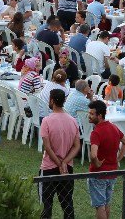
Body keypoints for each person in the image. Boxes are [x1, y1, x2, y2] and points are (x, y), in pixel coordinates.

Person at [39, 88, 81, 219]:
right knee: (67, 203)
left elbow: (48, 147)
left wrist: (58, 163)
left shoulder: (46, 120)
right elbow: (76, 146)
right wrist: (64, 163)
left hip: (48, 168)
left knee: (46, 205)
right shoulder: (73, 121)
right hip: (67, 168)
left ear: (52, 100)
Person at [88, 100, 125, 219]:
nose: (89, 116)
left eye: (91, 114)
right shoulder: (114, 127)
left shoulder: (96, 132)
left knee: (100, 205)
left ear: (99, 115)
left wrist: (96, 164)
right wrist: (118, 159)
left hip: (98, 175)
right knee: (106, 203)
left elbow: (93, 155)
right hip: (112, 173)